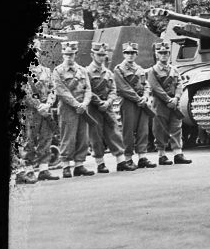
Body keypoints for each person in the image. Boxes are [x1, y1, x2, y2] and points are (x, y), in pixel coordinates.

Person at [85, 43, 133, 173]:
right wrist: (99, 102)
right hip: (94, 107)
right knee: (95, 135)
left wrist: (109, 102)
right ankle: (100, 163)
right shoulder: (86, 72)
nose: (101, 57)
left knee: (114, 132)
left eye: (103, 55)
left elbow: (113, 89)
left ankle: (121, 161)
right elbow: (87, 90)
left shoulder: (109, 73)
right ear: (92, 55)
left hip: (108, 106)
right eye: (99, 55)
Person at [51, 41, 94, 177]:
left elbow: (88, 89)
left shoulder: (82, 71)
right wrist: (77, 105)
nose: (69, 57)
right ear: (63, 55)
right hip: (67, 109)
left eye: (71, 54)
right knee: (68, 137)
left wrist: (85, 103)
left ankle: (79, 165)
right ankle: (65, 166)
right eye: (66, 54)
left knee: (83, 137)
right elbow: (61, 91)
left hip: (82, 108)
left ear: (75, 54)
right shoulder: (58, 71)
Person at [146, 41, 192, 165]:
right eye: (161, 53)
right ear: (156, 54)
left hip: (174, 102)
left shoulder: (174, 69)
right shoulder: (152, 71)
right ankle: (162, 154)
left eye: (166, 53)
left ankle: (178, 153)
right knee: (160, 128)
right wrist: (168, 100)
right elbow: (155, 87)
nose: (164, 55)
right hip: (160, 103)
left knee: (176, 127)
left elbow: (179, 84)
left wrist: (176, 98)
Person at [114, 41, 157, 168]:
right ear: (123, 54)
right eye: (127, 53)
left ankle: (142, 157)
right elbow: (123, 88)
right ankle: (127, 158)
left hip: (141, 103)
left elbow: (146, 85)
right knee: (128, 131)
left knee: (142, 130)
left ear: (136, 54)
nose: (130, 55)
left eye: (132, 53)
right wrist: (138, 98)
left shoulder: (140, 69)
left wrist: (145, 96)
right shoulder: (119, 69)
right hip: (128, 103)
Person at [20, 61, 59, 183]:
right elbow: (24, 91)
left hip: (46, 110)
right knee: (29, 141)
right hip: (31, 112)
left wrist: (48, 104)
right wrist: (39, 106)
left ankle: (44, 170)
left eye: (36, 50)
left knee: (46, 139)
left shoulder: (47, 71)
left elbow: (53, 89)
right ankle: (29, 171)